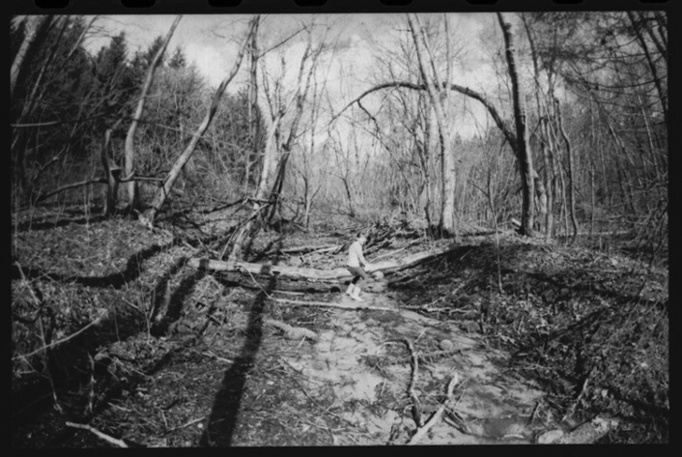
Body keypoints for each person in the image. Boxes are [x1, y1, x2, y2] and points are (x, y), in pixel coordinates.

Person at [346, 233, 371, 301]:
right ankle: (355, 295)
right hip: (354, 266)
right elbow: (360, 257)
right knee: (365, 278)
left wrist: (363, 263)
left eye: (364, 238)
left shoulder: (353, 244)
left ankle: (349, 291)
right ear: (357, 238)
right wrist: (366, 265)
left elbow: (356, 257)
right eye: (362, 238)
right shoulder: (358, 246)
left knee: (358, 276)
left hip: (349, 266)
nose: (364, 240)